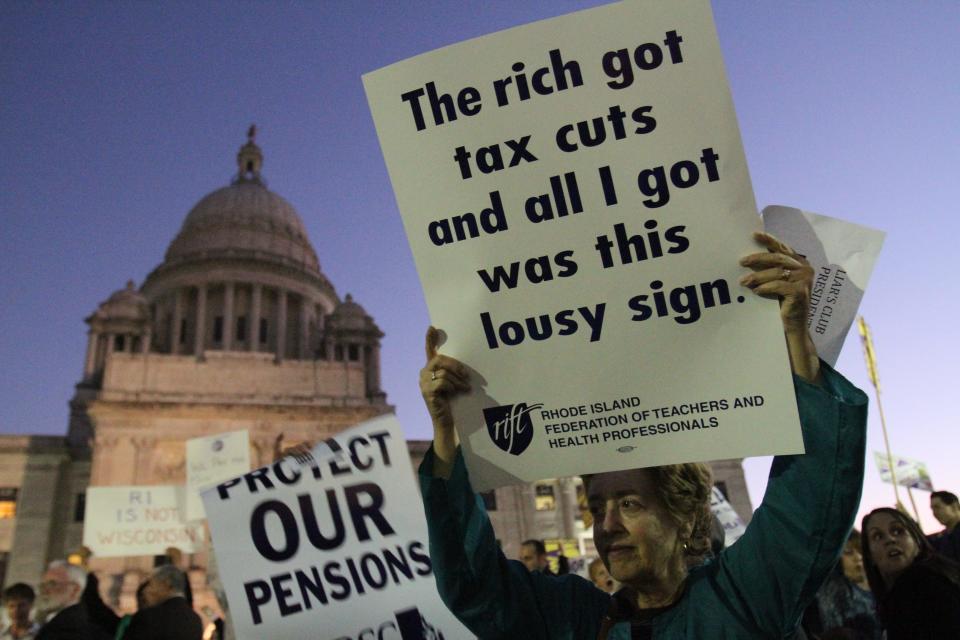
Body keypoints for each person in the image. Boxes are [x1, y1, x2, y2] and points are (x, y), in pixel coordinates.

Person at [418, 232, 869, 639]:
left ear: (687, 516)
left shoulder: (744, 596)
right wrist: (447, 435)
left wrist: (795, 337)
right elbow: (474, 587)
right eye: (598, 507)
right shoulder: (573, 619)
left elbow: (810, 504)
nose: (607, 526)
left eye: (630, 504)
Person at [860, 507, 960, 639]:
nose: (890, 539)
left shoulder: (919, 583)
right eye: (878, 536)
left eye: (897, 531)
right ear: (870, 555)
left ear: (917, 542)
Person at [802, 530, 881, 639]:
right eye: (848, 552)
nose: (858, 558)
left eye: (860, 550)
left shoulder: (882, 582)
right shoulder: (834, 590)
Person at [122, 565, 202, 640]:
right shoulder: (195, 620)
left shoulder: (148, 617)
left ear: (166, 584)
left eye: (151, 584)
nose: (148, 590)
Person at [35, 561, 94, 640]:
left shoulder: (75, 628)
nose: (44, 591)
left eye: (52, 584)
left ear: (75, 590)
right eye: (43, 585)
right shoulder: (57, 622)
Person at [928, 490, 960, 562]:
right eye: (932, 509)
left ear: (954, 507)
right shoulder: (942, 538)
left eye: (937, 507)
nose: (934, 513)